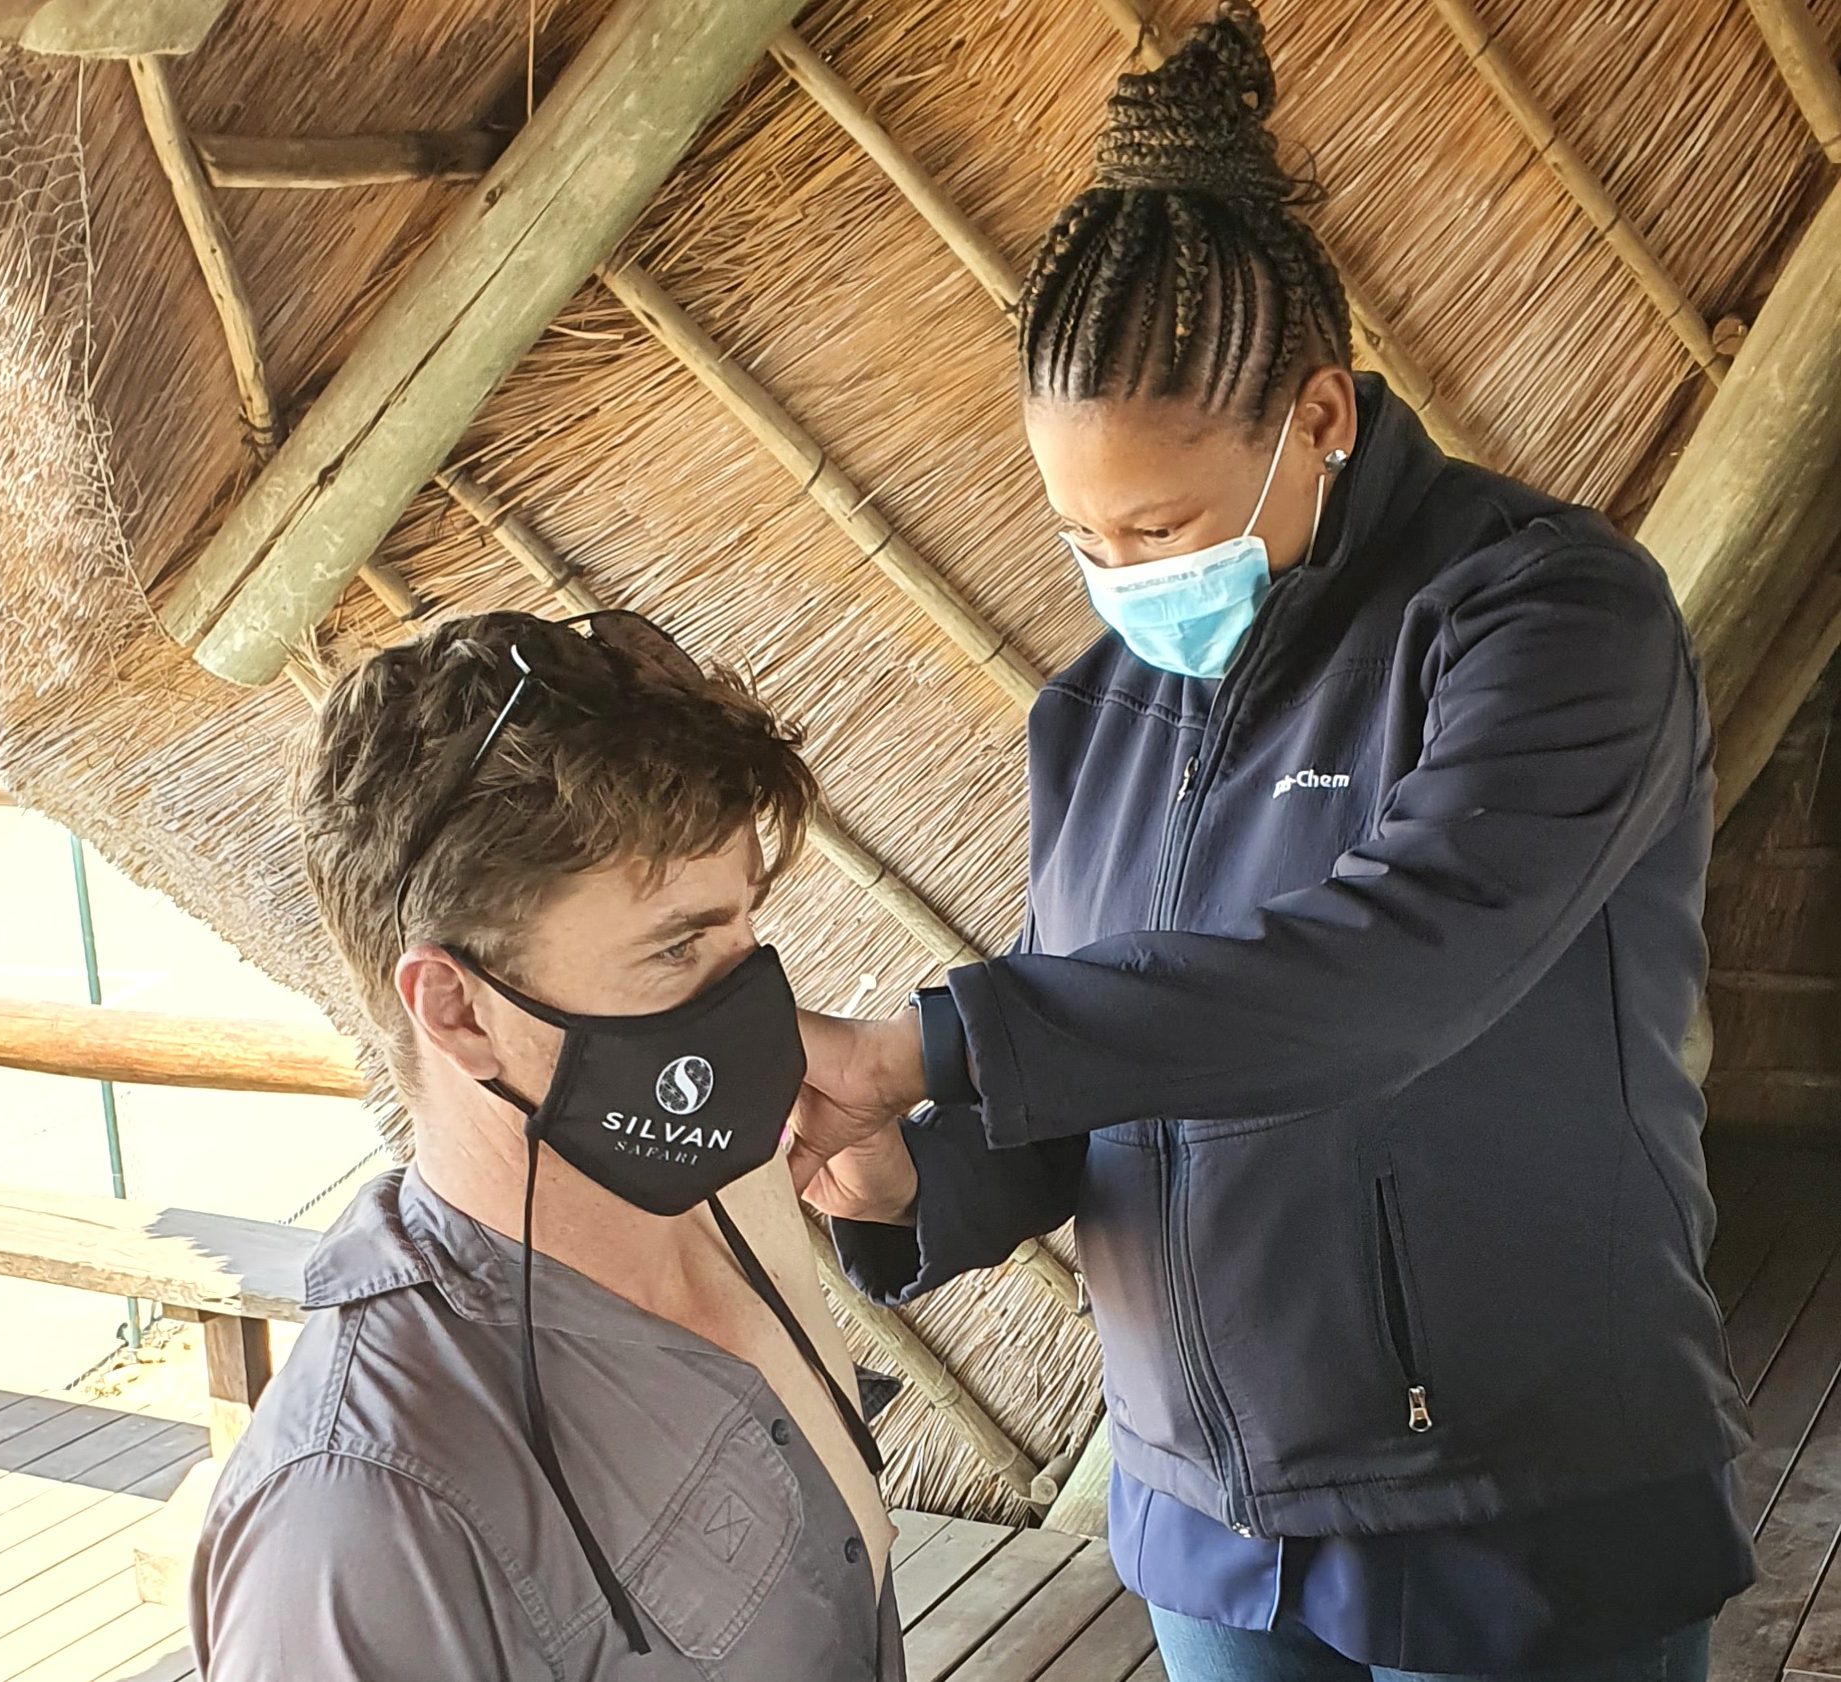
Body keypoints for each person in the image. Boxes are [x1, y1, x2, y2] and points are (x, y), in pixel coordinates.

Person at [791, 11, 1754, 1682]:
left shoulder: (1541, 620)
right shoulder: (1094, 713)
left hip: (1508, 1502)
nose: (1120, 574)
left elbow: (1389, 974)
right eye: (1080, 534)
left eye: (1158, 526)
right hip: (1209, 1524)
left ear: (1317, 410)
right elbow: (1102, 1048)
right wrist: (912, 1181)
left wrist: (936, 1039)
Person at [191, 610, 901, 1680]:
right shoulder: (364, 1516)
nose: (756, 1002)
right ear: (460, 1011)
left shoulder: (735, 1186)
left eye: (747, 926)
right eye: (676, 949)